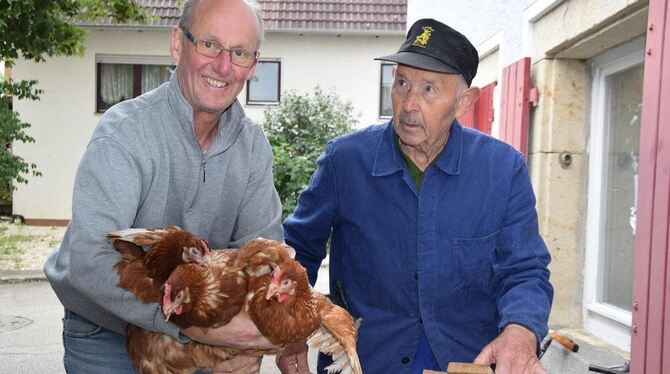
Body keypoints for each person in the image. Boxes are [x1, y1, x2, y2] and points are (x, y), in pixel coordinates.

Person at [278, 18, 554, 374]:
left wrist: (521, 331)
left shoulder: (502, 170)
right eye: (402, 83)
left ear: (463, 101)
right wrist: (289, 327)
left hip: (466, 359)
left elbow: (526, 270)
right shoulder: (345, 161)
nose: (409, 103)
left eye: (429, 90)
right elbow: (298, 252)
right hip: (362, 359)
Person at [44, 0, 282, 372]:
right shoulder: (123, 133)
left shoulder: (252, 147)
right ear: (177, 43)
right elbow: (89, 261)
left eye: (239, 53)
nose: (222, 66)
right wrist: (194, 328)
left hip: (201, 329)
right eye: (209, 44)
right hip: (106, 334)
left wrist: (245, 343)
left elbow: (263, 259)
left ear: (253, 65)